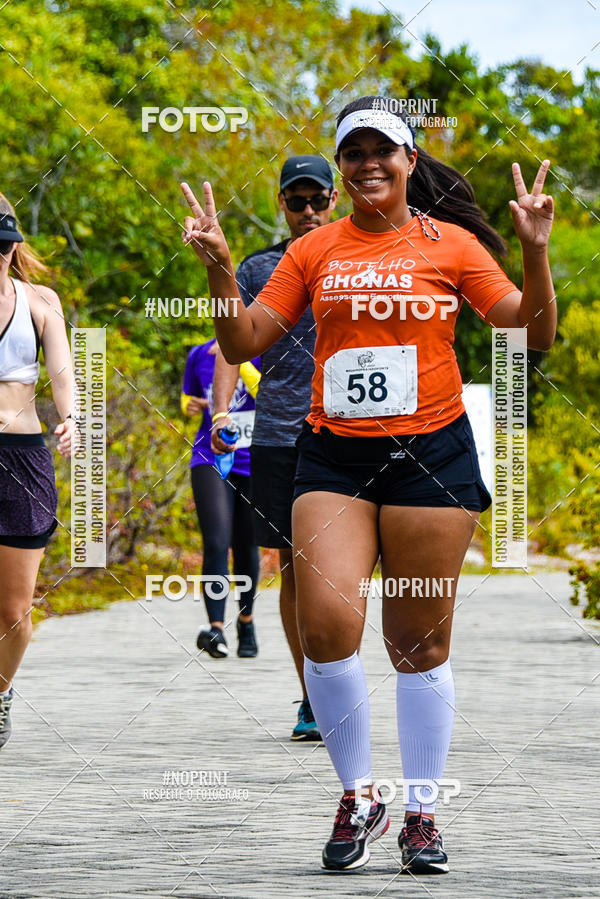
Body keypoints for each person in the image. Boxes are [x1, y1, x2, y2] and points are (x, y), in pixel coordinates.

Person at [180, 94, 556, 875]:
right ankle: (360, 793)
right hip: (334, 459)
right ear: (343, 168)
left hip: (431, 457)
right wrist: (219, 265)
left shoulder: (450, 245)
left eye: (384, 150)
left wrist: (534, 252)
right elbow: (244, 336)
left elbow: (529, 330)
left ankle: (422, 810)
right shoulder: (314, 251)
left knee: (417, 643)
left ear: (411, 161)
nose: (368, 164)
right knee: (325, 627)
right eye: (353, 153)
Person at [210, 156, 338, 739]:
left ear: (335, 200)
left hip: (356, 433)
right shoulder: (262, 268)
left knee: (346, 572)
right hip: (283, 433)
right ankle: (312, 696)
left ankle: (345, 678)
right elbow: (229, 345)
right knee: (292, 567)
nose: (308, 212)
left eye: (318, 201)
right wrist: (219, 410)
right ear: (282, 205)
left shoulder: (363, 258)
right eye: (297, 202)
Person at [0, 194, 76, 749]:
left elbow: (64, 372)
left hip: (22, 457)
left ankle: (1, 693)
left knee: (14, 607)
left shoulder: (39, 301)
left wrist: (72, 417)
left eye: (6, 246)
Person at [182, 337, 260, 658]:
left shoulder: (262, 349)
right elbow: (189, 398)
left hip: (254, 457)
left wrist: (235, 355)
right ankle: (216, 628)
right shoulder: (199, 354)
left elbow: (263, 393)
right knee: (216, 541)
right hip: (210, 455)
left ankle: (246, 620)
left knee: (247, 544)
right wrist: (189, 405)